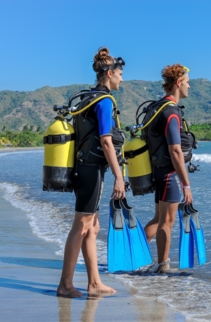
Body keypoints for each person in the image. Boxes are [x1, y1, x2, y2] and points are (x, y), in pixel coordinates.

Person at [57, 47, 126, 297]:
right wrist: (119, 177)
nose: (121, 79)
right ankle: (65, 285)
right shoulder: (104, 101)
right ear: (108, 74)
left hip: (84, 168)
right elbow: (106, 141)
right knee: (83, 225)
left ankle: (94, 283)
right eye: (119, 74)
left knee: (93, 226)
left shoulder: (90, 98)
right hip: (91, 171)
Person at [144, 64, 194, 273]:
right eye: (188, 82)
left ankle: (134, 255)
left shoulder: (157, 108)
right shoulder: (171, 112)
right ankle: (162, 266)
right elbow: (175, 151)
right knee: (167, 221)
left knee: (158, 219)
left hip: (158, 171)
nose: (189, 87)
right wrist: (187, 185)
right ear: (178, 83)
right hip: (169, 174)